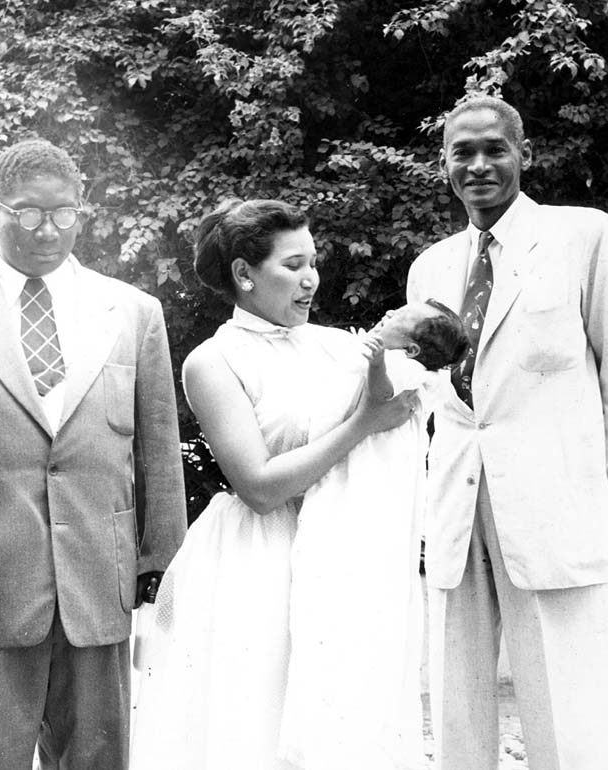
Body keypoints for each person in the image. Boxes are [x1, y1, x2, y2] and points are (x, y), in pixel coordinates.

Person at [0, 138, 187, 770]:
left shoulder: (134, 312)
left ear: (81, 211)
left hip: (99, 580)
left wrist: (160, 558)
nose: (46, 230)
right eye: (26, 212)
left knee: (97, 759)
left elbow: (158, 452)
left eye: (63, 214)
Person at [407, 95, 608, 770]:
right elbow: (437, 392)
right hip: (458, 506)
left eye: (494, 149)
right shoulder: (430, 267)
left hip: (555, 505)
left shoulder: (582, 236)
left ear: (525, 154)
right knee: (457, 708)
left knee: (568, 711)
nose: (479, 165)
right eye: (463, 152)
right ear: (445, 165)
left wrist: (584, 481)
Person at [129, 198, 418, 770]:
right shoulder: (213, 361)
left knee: (338, 719)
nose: (311, 279)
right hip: (259, 558)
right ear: (244, 274)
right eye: (292, 265)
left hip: (340, 552)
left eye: (313, 262)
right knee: (257, 721)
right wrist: (364, 424)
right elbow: (258, 487)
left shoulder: (339, 345)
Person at [279, 299, 467, 770]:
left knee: (349, 611)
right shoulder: (389, 356)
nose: (391, 313)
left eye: (403, 316)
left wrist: (378, 358)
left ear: (416, 344)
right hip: (349, 485)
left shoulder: (410, 371)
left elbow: (379, 398)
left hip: (367, 497)